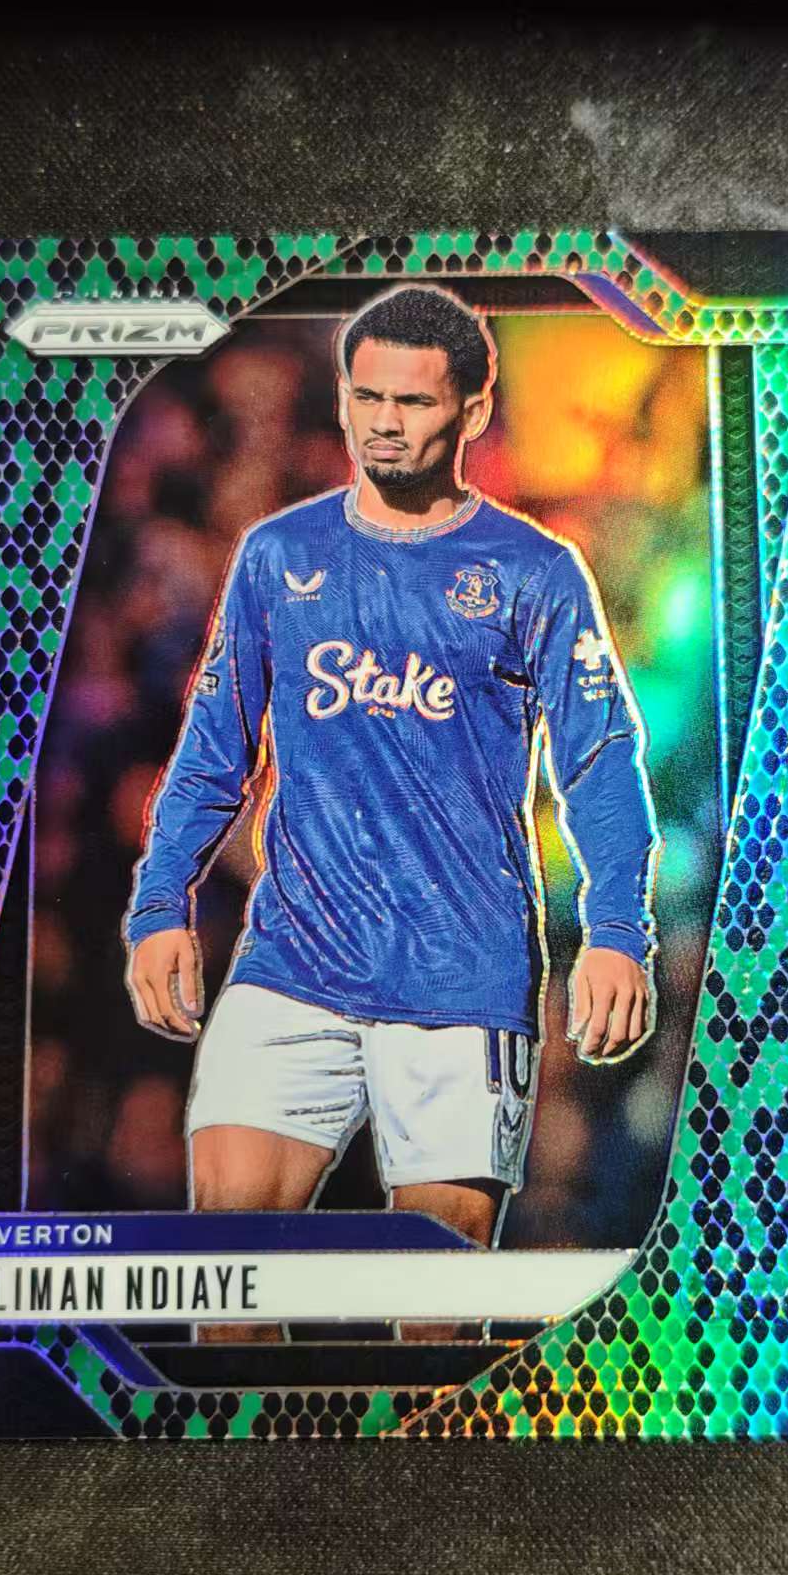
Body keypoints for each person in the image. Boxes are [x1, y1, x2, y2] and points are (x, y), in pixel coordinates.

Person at [123, 285, 659, 1331]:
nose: (382, 421)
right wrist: (158, 904)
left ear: (469, 410)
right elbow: (213, 747)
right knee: (228, 1291)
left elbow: (599, 760)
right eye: (364, 396)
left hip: (459, 978)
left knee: (432, 1318)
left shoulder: (534, 572)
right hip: (293, 960)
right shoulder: (278, 556)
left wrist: (617, 934)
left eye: (411, 401)